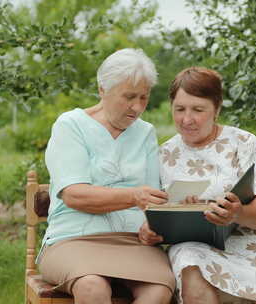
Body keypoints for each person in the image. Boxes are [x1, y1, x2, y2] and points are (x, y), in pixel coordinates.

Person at [139, 67, 256, 304]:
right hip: (195, 246)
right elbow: (154, 212)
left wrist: (238, 213)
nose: (187, 119)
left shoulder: (243, 142)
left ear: (217, 109)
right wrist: (150, 231)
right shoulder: (164, 154)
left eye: (198, 110)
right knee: (190, 267)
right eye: (180, 109)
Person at [38, 48, 175, 304]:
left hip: (133, 242)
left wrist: (151, 227)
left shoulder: (145, 132)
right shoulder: (70, 126)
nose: (137, 107)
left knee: (159, 289)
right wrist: (134, 196)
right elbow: (74, 195)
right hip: (73, 239)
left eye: (144, 97)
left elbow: (153, 200)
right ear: (103, 89)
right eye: (129, 96)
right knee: (92, 286)